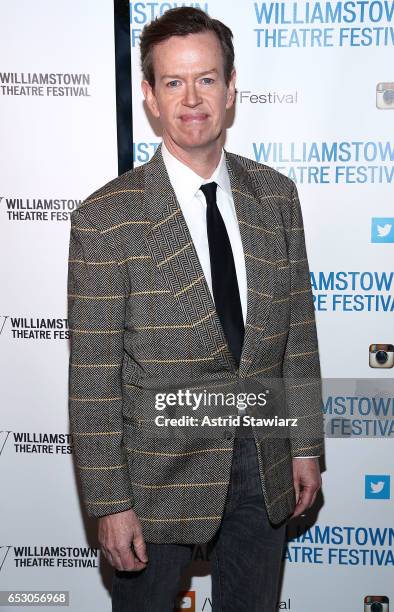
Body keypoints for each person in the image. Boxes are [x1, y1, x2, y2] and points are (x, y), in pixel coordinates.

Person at [67, 7, 324, 611]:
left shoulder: (277, 197)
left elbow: (300, 335)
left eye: (206, 79)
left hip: (263, 464)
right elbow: (93, 380)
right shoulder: (106, 217)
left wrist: (306, 444)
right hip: (153, 480)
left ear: (231, 89)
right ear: (150, 97)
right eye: (174, 82)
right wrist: (109, 502)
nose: (192, 99)